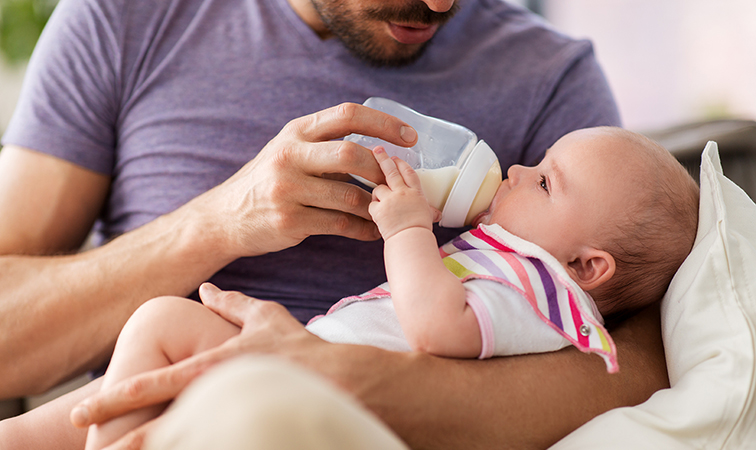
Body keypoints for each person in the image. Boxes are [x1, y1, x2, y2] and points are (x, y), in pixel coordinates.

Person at [0, 0, 671, 448]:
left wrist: (350, 379)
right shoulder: (124, 21)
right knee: (152, 335)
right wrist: (218, 223)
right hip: (175, 394)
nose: (439, 3)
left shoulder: (550, 77)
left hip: (339, 419)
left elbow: (644, 363)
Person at [1, 127, 694, 450]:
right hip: (289, 354)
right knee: (150, 335)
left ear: (589, 268)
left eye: (544, 180)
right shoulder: (522, 261)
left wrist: (407, 232)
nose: (514, 169)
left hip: (316, 394)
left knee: (160, 339)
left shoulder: (542, 292)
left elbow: (436, 327)